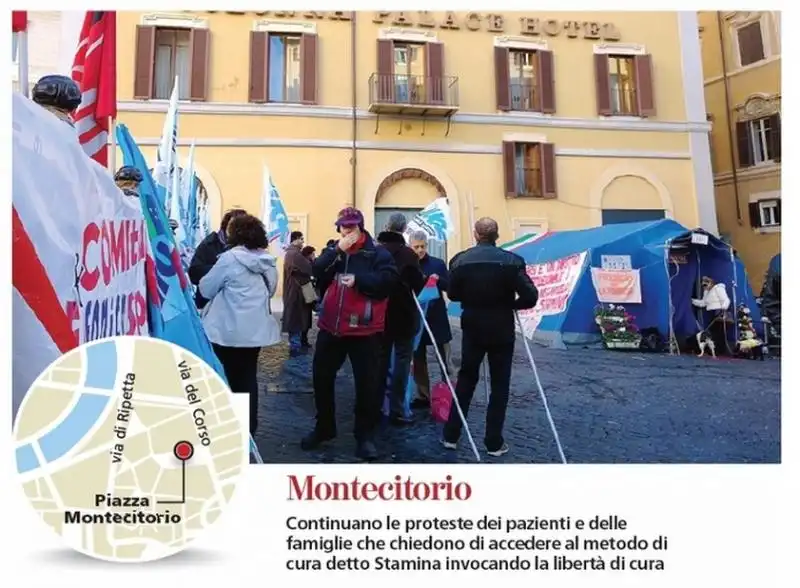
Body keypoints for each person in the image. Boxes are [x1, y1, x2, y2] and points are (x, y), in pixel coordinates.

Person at [301, 207, 398, 460]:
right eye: (344, 227)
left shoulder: (377, 253)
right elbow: (317, 270)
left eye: (352, 227)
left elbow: (388, 282)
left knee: (367, 384)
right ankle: (324, 427)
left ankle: (364, 435)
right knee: (321, 378)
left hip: (364, 329)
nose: (348, 231)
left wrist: (359, 280)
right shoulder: (334, 250)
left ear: (361, 227)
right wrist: (337, 251)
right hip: (331, 326)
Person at [442, 217, 539, 457]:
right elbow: (531, 295)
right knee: (499, 385)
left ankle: (451, 435)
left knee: (466, 380)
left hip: (473, 326)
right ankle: (493, 441)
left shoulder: (460, 260)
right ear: (497, 235)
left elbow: (452, 295)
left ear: (476, 234)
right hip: (501, 327)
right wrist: (512, 304)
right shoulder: (512, 261)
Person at [198, 214, 280, 436]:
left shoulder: (228, 259)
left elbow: (206, 289)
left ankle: (225, 429)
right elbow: (270, 290)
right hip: (254, 333)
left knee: (223, 380)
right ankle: (248, 430)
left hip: (225, 332)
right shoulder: (267, 261)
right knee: (247, 379)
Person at [376, 214, 426, 425]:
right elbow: (418, 285)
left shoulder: (376, 251)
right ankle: (396, 408)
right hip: (404, 314)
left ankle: (376, 405)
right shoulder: (407, 254)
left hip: (379, 314)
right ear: (404, 229)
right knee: (402, 363)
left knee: (379, 361)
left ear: (387, 227)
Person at [408, 231, 453, 409]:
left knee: (445, 358)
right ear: (410, 246)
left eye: (422, 246)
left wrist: (438, 280)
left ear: (427, 245)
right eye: (416, 247)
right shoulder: (408, 265)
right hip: (416, 317)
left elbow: (449, 286)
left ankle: (449, 391)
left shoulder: (437, 263)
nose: (420, 250)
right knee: (418, 359)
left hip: (437, 317)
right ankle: (424, 395)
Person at [189, 208, 248, 309]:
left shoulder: (250, 247)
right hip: (209, 305)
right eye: (234, 227)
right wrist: (220, 270)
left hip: (238, 305)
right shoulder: (209, 244)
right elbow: (194, 273)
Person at [282, 231, 314, 356]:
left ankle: (297, 344)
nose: (302, 241)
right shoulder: (294, 254)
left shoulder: (292, 253)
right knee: (296, 318)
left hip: (297, 290)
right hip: (296, 291)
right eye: (301, 239)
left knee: (297, 318)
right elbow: (308, 268)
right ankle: (295, 346)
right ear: (295, 239)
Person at [300, 246, 317, 348]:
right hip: (307, 291)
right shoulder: (307, 263)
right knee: (305, 317)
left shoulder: (307, 262)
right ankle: (303, 339)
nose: (314, 256)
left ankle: (303, 338)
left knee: (306, 316)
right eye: (313, 254)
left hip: (308, 291)